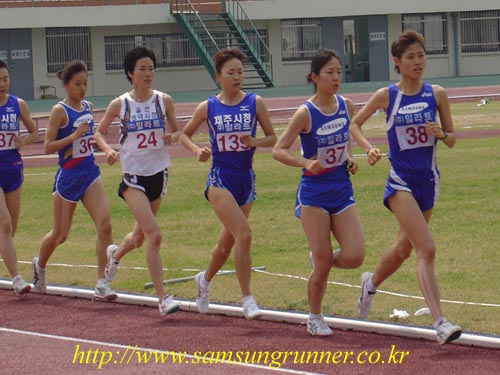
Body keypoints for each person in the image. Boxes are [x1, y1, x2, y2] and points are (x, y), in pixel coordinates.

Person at [349, 30, 462, 345]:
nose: (417, 62)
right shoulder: (387, 96)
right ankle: (440, 322)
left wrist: (441, 133)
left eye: (421, 55)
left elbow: (452, 140)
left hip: (428, 181)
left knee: (402, 249)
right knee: (426, 248)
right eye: (410, 57)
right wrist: (368, 147)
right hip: (400, 182)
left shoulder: (436, 94)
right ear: (397, 62)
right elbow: (354, 123)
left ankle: (370, 284)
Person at [272, 49, 365, 335]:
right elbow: (278, 150)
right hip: (313, 193)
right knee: (323, 261)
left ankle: (320, 260)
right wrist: (305, 162)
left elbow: (346, 136)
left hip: (341, 187)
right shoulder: (305, 113)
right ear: (315, 77)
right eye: (330, 73)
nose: (337, 77)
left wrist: (349, 157)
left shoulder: (346, 106)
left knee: (355, 255)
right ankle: (314, 316)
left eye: (339, 72)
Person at [179, 47, 276, 319]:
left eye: (240, 72)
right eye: (230, 72)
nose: (237, 77)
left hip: (245, 179)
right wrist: (197, 151)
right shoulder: (209, 106)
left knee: (226, 246)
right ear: (218, 76)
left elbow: (273, 138)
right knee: (244, 234)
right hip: (220, 178)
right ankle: (247, 299)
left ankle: (204, 280)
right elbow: (184, 135)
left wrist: (255, 141)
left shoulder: (255, 103)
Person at [93, 46, 181, 316]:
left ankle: (115, 256)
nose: (147, 73)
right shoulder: (121, 104)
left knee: (140, 237)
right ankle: (163, 298)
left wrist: (172, 137)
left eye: (151, 68)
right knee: (155, 234)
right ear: (130, 73)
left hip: (158, 173)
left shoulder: (163, 100)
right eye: (142, 69)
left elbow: (178, 131)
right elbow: (99, 132)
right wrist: (108, 151)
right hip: (133, 177)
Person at [31, 60, 117, 301]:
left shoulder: (88, 107)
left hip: (89, 172)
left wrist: (107, 150)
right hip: (68, 176)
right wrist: (73, 135)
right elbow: (47, 146)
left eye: (85, 83)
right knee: (60, 234)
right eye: (78, 84)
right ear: (67, 85)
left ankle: (102, 283)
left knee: (105, 224)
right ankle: (40, 266)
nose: (82, 88)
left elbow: (94, 135)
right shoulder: (60, 111)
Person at [0, 59, 37, 295]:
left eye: (5, 79)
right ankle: (16, 279)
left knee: (11, 227)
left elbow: (34, 131)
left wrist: (25, 140)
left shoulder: (18, 104)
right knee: (4, 224)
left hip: (12, 166)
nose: (2, 84)